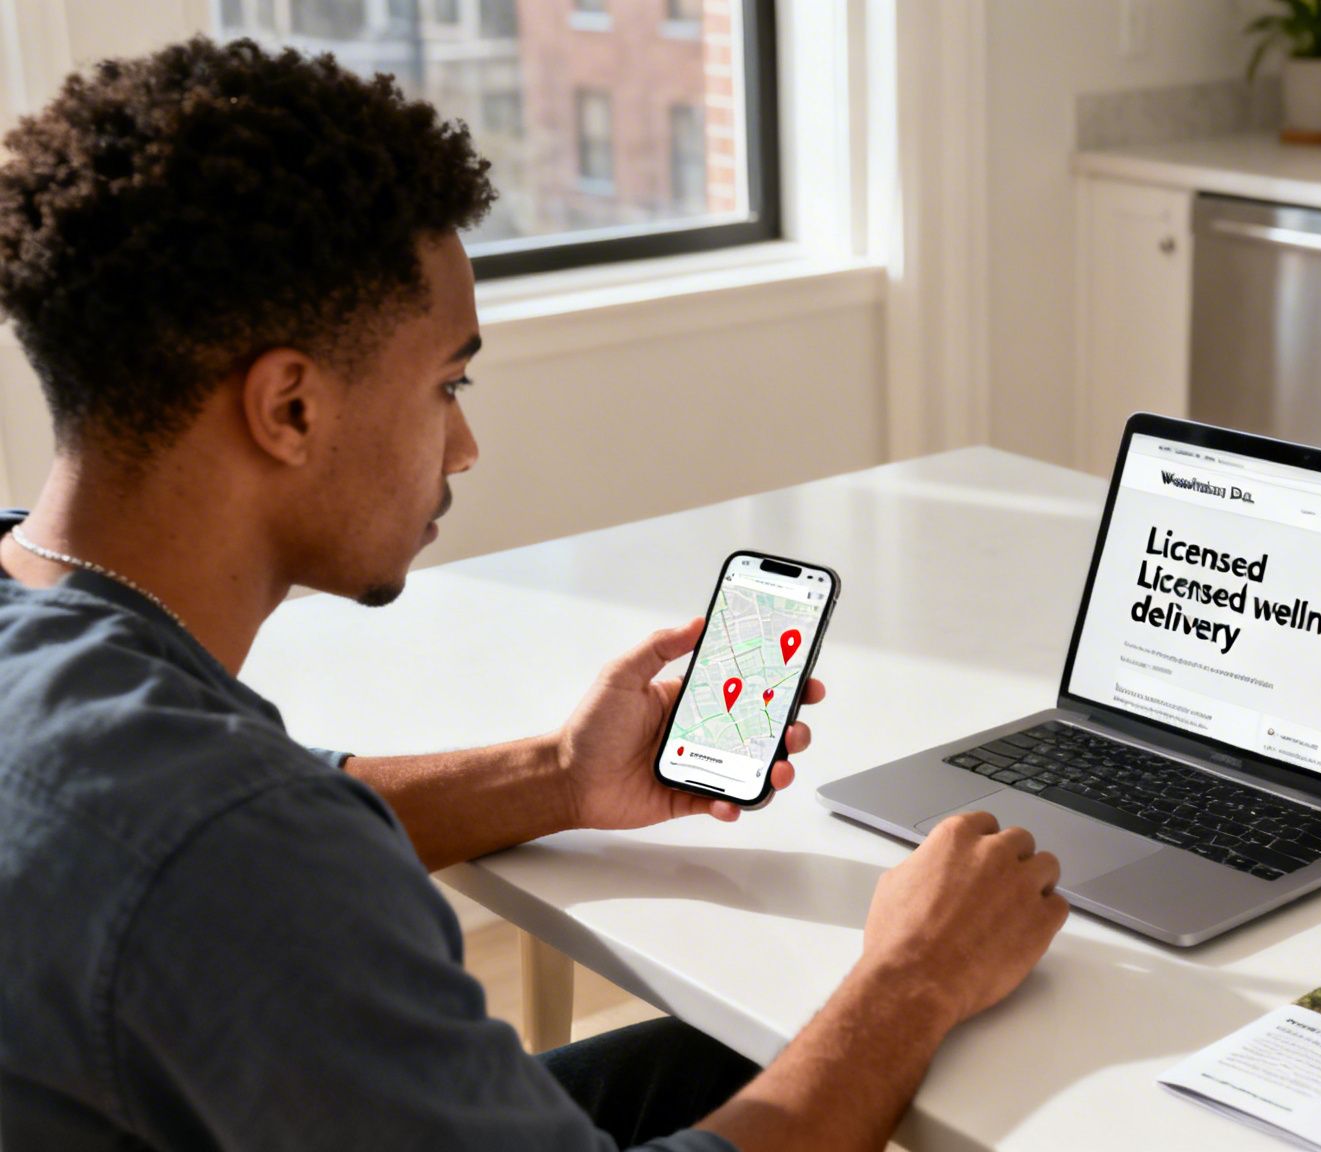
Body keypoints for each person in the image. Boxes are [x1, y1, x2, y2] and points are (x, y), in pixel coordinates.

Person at [0, 37, 1066, 1152]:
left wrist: (556, 776)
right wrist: (912, 977)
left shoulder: (63, 647)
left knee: (744, 1045)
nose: (462, 446)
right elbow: (238, 848)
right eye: (446, 384)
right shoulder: (236, 849)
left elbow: (249, 822)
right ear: (290, 409)